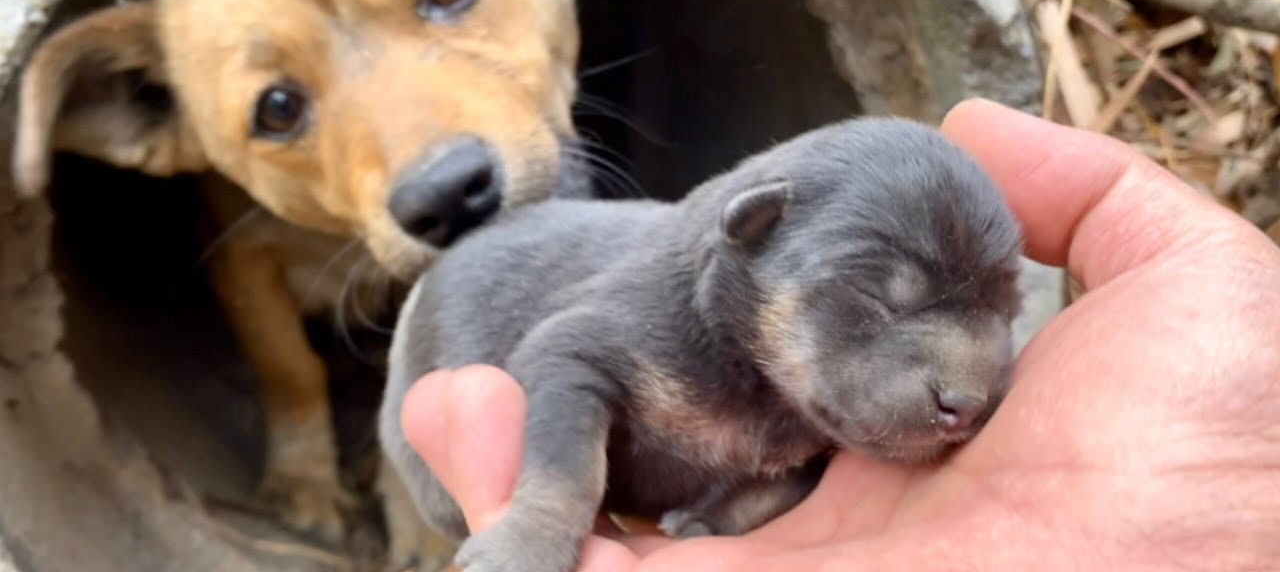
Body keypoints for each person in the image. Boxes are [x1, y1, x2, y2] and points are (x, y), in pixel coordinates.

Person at [397, 98, 1280, 570]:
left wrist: (731, 517)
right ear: (755, 231)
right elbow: (564, 364)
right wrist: (547, 517)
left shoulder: (822, 396)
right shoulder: (653, 324)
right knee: (449, 494)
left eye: (998, 315)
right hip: (453, 339)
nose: (968, 384)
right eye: (879, 302)